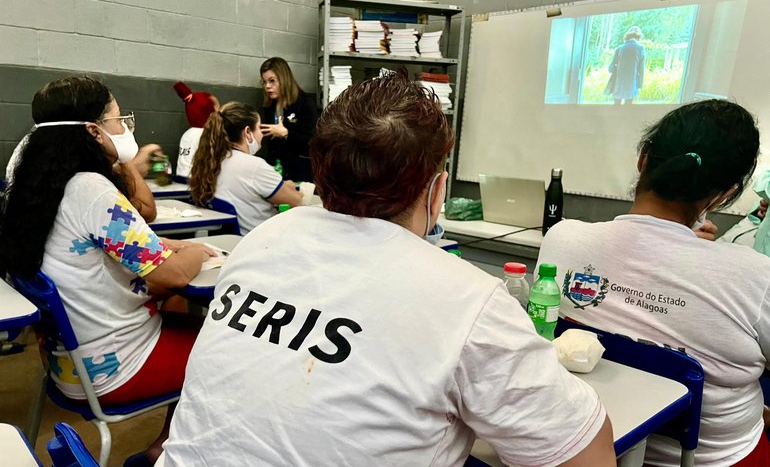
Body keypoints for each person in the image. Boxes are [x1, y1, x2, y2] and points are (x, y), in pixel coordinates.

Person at [162, 73, 615, 466]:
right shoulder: (466, 300)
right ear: (437, 192)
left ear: (320, 172)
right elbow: (587, 454)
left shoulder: (263, 239)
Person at [537, 99, 770, 466]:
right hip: (710, 458)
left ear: (643, 159)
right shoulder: (756, 278)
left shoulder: (561, 239)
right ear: (725, 193)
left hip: (588, 443)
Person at [0, 75, 215, 465]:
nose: (125, 127)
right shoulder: (92, 191)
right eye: (119, 119)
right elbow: (173, 276)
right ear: (94, 132)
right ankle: (167, 452)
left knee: (178, 311)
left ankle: (163, 447)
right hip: (113, 369)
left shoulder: (36, 187)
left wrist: (171, 248)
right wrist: (197, 253)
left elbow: (104, 248)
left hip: (63, 363)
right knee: (222, 345)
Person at [189, 101, 303, 233]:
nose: (262, 134)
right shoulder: (255, 166)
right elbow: (296, 201)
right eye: (259, 128)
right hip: (259, 241)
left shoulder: (209, 161)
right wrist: (288, 186)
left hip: (229, 240)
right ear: (247, 132)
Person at [5, 128, 163, 222]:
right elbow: (147, 212)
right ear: (95, 129)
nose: (124, 128)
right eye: (118, 119)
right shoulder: (93, 185)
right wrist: (125, 156)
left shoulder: (41, 141)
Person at [258, 57, 319, 182]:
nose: (267, 86)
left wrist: (286, 134)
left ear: (284, 79)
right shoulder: (270, 105)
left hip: (300, 172)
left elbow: (313, 143)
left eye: (272, 81)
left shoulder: (305, 103)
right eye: (264, 82)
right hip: (276, 169)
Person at [173, 81, 218, 178]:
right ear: (211, 115)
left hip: (181, 180)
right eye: (218, 111)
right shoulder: (207, 135)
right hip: (196, 184)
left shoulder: (187, 134)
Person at [606, 26, 646, 105]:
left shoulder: (619, 48)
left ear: (627, 36)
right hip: (631, 84)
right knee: (627, 107)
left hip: (618, 84)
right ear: (639, 37)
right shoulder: (641, 48)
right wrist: (640, 84)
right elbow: (641, 70)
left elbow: (610, 68)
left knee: (616, 107)